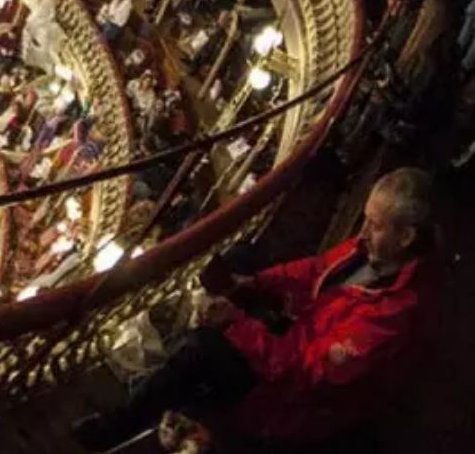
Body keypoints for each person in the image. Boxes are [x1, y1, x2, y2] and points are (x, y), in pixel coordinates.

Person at [75, 168, 437, 450]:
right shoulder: (373, 251)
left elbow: (296, 373)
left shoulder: (389, 321)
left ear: (405, 237)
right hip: (300, 328)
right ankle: (184, 366)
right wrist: (252, 282)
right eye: (364, 219)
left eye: (374, 225)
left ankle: (119, 425)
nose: (361, 233)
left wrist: (236, 325)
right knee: (242, 259)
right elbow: (315, 269)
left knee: (203, 348)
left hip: (293, 399)